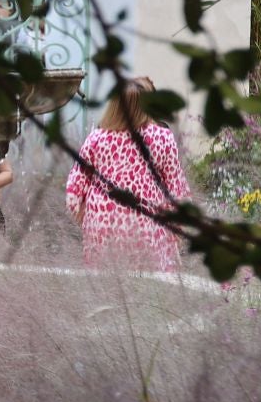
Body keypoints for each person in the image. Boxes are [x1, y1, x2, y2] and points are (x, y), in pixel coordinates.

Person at [64, 76, 192, 270]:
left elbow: (73, 192)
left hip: (102, 225)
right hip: (148, 225)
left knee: (105, 285)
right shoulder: (163, 138)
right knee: (150, 288)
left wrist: (86, 216)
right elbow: (177, 190)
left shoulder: (96, 138)